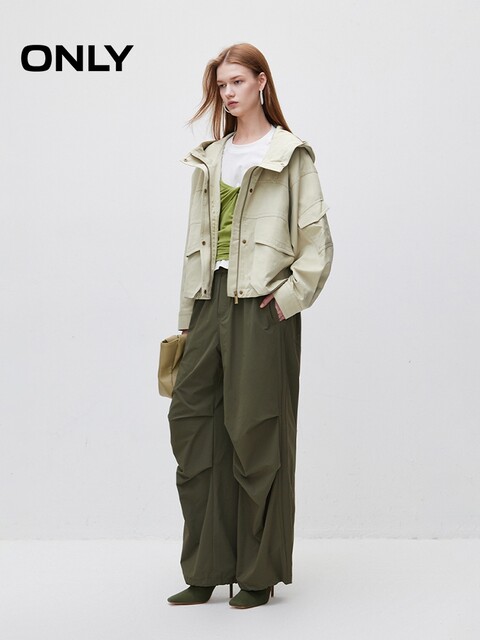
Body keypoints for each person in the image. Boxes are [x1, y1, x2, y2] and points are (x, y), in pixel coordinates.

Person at [166, 42, 334, 609]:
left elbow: (316, 244)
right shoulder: (210, 158)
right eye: (221, 85)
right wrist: (187, 317)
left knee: (256, 433)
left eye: (237, 81)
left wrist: (286, 301)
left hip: (261, 306)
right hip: (209, 301)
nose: (228, 93)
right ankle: (207, 567)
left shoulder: (290, 155)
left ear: (262, 81)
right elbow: (195, 243)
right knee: (193, 425)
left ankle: (258, 574)